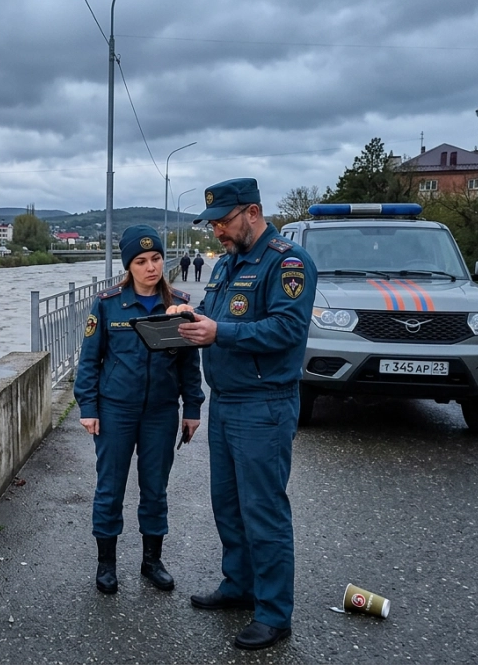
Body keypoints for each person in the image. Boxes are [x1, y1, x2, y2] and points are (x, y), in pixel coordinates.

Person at [168, 178, 316, 650]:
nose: (217, 232)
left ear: (252, 212)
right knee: (228, 504)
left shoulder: (287, 263)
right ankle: (239, 584)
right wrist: (186, 316)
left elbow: (287, 329)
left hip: (264, 403)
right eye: (212, 224)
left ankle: (273, 613)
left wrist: (221, 334)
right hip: (227, 401)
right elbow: (215, 314)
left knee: (263, 510)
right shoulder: (228, 264)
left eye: (223, 222)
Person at [74, 224, 205, 596]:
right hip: (116, 411)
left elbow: (189, 364)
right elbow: (90, 361)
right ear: (128, 266)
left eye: (156, 258)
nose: (151, 267)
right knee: (110, 488)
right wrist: (88, 407)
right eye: (141, 261)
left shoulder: (178, 305)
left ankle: (152, 561)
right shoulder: (108, 304)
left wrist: (192, 408)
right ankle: (106, 564)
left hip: (161, 412)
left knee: (155, 489)